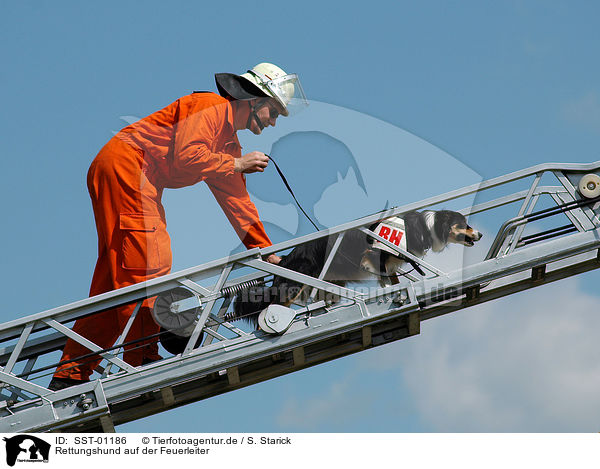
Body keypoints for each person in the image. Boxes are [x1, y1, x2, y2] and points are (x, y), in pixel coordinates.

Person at [48, 63, 307, 391]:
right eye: (273, 111)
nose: (273, 121)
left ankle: (69, 374)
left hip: (131, 171)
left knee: (117, 281)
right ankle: (141, 357)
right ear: (254, 100)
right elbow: (187, 156)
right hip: (130, 166)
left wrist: (267, 254)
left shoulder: (228, 144)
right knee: (148, 261)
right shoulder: (210, 108)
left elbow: (238, 203)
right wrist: (237, 164)